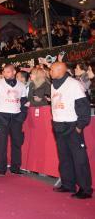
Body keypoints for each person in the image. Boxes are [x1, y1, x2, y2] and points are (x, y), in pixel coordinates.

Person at [50, 62, 92, 199]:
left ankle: (85, 189)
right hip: (58, 125)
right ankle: (68, 184)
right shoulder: (53, 84)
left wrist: (80, 125)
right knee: (64, 157)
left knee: (79, 159)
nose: (50, 71)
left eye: (52, 69)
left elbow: (83, 106)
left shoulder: (74, 84)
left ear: (60, 70)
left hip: (72, 126)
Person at [0, 64, 28, 177]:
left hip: (16, 117)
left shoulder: (21, 85)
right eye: (4, 72)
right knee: (1, 144)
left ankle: (15, 168)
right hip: (2, 117)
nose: (5, 74)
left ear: (14, 72)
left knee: (17, 143)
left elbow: (25, 103)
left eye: (8, 71)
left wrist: (22, 116)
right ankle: (2, 169)